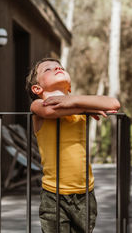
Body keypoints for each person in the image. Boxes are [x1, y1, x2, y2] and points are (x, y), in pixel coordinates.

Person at [25, 57, 120, 233]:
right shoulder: (37, 105)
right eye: (48, 69)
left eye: (59, 67)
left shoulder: (77, 103)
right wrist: (85, 107)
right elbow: (48, 110)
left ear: (69, 87)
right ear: (37, 88)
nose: (57, 68)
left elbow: (113, 103)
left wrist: (72, 101)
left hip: (85, 193)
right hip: (53, 194)